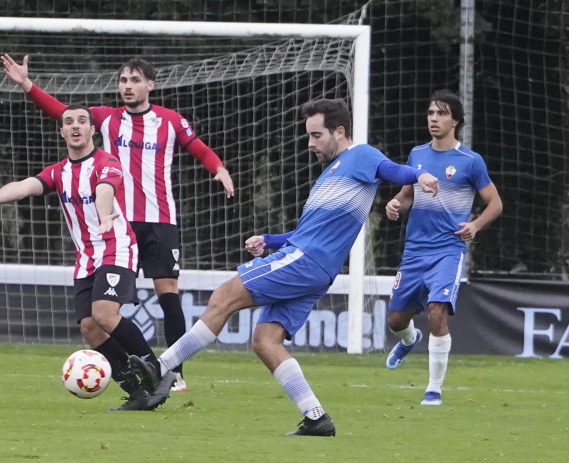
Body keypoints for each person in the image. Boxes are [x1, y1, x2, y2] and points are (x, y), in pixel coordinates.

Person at [129, 99, 440, 435]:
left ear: (339, 131)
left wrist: (420, 174)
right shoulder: (333, 173)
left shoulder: (361, 156)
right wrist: (271, 240)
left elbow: (392, 170)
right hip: (311, 264)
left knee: (225, 297)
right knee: (266, 341)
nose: (310, 143)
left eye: (316, 135)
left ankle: (161, 367)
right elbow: (308, 232)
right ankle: (317, 417)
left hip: (305, 262)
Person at [0, 55, 235, 392]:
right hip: (116, 223)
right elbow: (62, 113)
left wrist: (219, 168)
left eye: (135, 80)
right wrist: (27, 85)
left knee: (167, 292)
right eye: (123, 80)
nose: (127, 86)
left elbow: (196, 147)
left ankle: (176, 372)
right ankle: (137, 372)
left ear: (150, 85)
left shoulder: (170, 121)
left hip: (159, 219)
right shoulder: (105, 118)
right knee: (103, 311)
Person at [0, 105, 162, 411]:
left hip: (116, 247)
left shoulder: (107, 162)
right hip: (86, 257)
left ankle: (157, 372)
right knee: (90, 327)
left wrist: (104, 215)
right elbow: (24, 186)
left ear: (92, 129)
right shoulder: (58, 172)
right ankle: (137, 393)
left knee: (104, 314)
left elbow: (105, 188)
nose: (75, 126)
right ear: (62, 132)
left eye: (82, 121)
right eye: (69, 122)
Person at [384, 89, 502, 406]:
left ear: (456, 120)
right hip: (414, 251)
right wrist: (395, 203)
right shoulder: (417, 154)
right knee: (395, 320)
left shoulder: (470, 162)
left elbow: (495, 203)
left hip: (448, 251)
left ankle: (433, 389)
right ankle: (409, 339)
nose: (434, 119)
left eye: (441, 113)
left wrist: (475, 225)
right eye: (430, 113)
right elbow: (407, 194)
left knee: (438, 311)